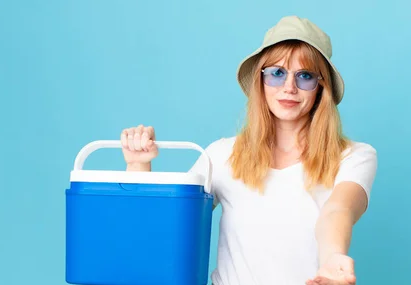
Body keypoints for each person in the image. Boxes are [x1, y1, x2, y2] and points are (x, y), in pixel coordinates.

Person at [119, 15, 377, 285]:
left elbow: (338, 209)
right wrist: (138, 167)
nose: (289, 87)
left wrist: (333, 260)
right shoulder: (221, 156)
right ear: (261, 81)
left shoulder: (354, 156)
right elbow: (167, 230)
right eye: (277, 73)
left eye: (304, 76)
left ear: (320, 87)